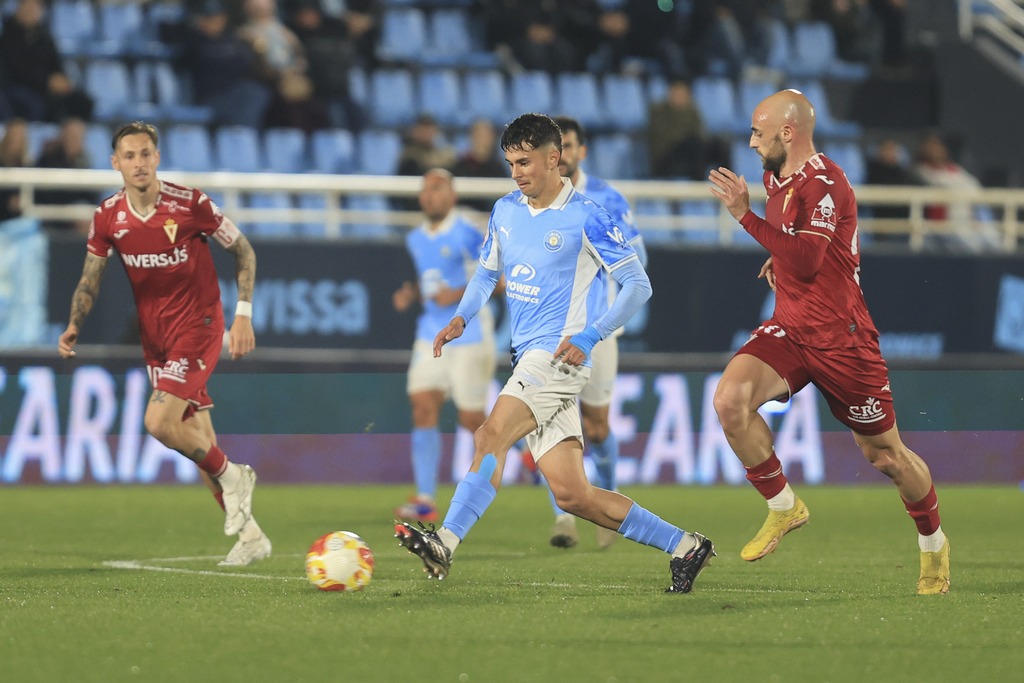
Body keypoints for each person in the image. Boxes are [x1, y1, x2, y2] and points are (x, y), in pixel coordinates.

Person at [394, 113, 715, 594]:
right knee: (572, 495)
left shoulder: (587, 215)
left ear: (553, 158)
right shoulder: (505, 210)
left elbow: (638, 284)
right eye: (510, 163)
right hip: (527, 357)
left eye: (524, 162)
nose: (516, 172)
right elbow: (486, 273)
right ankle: (687, 546)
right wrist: (462, 316)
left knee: (490, 435)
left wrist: (591, 336)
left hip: (557, 358)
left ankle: (445, 541)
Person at [707, 90, 950, 595]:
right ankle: (783, 506)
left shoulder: (825, 183)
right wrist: (778, 253)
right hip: (791, 330)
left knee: (886, 456)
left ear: (787, 133)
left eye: (758, 133)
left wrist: (746, 217)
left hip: (842, 339)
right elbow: (799, 247)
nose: (751, 143)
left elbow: (808, 260)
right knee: (730, 399)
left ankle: (933, 544)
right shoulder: (776, 177)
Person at [57, 121, 271, 567]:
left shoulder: (190, 204)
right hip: (157, 339)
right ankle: (250, 535)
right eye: (129, 156)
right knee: (198, 440)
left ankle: (234, 476)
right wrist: (75, 322)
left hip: (200, 325)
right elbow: (90, 278)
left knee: (158, 422)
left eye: (145, 154)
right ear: (115, 163)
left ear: (157, 158)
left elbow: (243, 250)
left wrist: (243, 314)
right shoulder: (108, 216)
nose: (138, 163)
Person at [540, 115, 646, 550]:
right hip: (549, 333)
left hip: (597, 332)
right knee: (551, 422)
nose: (561, 154)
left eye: (568, 145)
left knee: (597, 427)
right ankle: (563, 517)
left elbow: (637, 260)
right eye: (555, 147)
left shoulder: (607, 199)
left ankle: (609, 504)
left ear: (581, 151)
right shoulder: (533, 197)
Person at [392, 169, 496, 523]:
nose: (429, 195)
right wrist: (412, 294)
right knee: (422, 403)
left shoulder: (468, 231)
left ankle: (526, 449)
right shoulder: (415, 238)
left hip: (469, 334)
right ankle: (425, 499)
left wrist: (459, 295)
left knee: (471, 419)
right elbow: (430, 282)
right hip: (430, 332)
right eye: (425, 190)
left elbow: (497, 278)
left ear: (452, 195)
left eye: (437, 189)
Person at [0, 0, 94, 122]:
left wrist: (62, 79)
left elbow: (56, 62)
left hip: (47, 87)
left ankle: (73, 131)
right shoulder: (7, 37)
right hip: (20, 87)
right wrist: (47, 81)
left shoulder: (44, 36)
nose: (31, 11)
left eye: (35, 7)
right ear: (18, 8)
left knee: (83, 102)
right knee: (35, 106)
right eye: (27, 7)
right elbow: (17, 70)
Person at [35, 117, 96, 232]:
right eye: (72, 137)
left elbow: (91, 195)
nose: (77, 141)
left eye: (80, 137)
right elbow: (45, 194)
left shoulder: (83, 162)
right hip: (51, 212)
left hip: (77, 214)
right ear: (62, 137)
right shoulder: (48, 159)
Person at [452, 119, 507, 213]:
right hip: (465, 213)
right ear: (471, 136)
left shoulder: (498, 167)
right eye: (479, 135)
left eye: (487, 135)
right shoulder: (461, 165)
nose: (483, 139)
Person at [0, 118, 30, 222]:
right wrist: (7, 203)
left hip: (20, 221)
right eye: (14, 135)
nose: (16, 140)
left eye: (21, 136)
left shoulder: (28, 167)